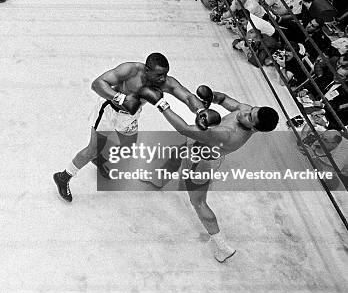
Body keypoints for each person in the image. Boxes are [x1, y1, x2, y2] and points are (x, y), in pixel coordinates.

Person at [139, 84, 279, 262]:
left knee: (198, 202)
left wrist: (161, 104)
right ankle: (158, 179)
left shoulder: (228, 134)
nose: (244, 113)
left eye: (250, 118)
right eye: (251, 110)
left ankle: (222, 246)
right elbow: (223, 99)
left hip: (202, 162)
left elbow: (184, 128)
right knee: (177, 152)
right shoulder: (246, 110)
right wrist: (210, 98)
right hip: (198, 147)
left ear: (255, 129)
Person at [53, 53, 207, 202]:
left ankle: (100, 160)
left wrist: (200, 111)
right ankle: (63, 177)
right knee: (92, 149)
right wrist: (120, 98)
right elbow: (97, 84)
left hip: (129, 118)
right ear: (147, 70)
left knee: (128, 146)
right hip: (109, 111)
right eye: (159, 75)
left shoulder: (165, 83)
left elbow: (187, 96)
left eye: (165, 74)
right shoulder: (130, 70)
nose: (163, 79)